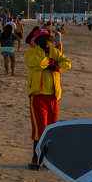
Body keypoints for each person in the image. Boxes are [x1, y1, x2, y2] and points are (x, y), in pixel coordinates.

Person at [25, 30, 71, 170]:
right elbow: (36, 63)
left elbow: (67, 63)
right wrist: (50, 63)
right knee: (40, 129)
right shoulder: (31, 53)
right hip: (37, 96)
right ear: (37, 42)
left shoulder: (55, 53)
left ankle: (48, 161)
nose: (46, 42)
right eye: (43, 39)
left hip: (53, 96)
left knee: (51, 129)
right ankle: (35, 158)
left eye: (48, 39)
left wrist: (55, 66)